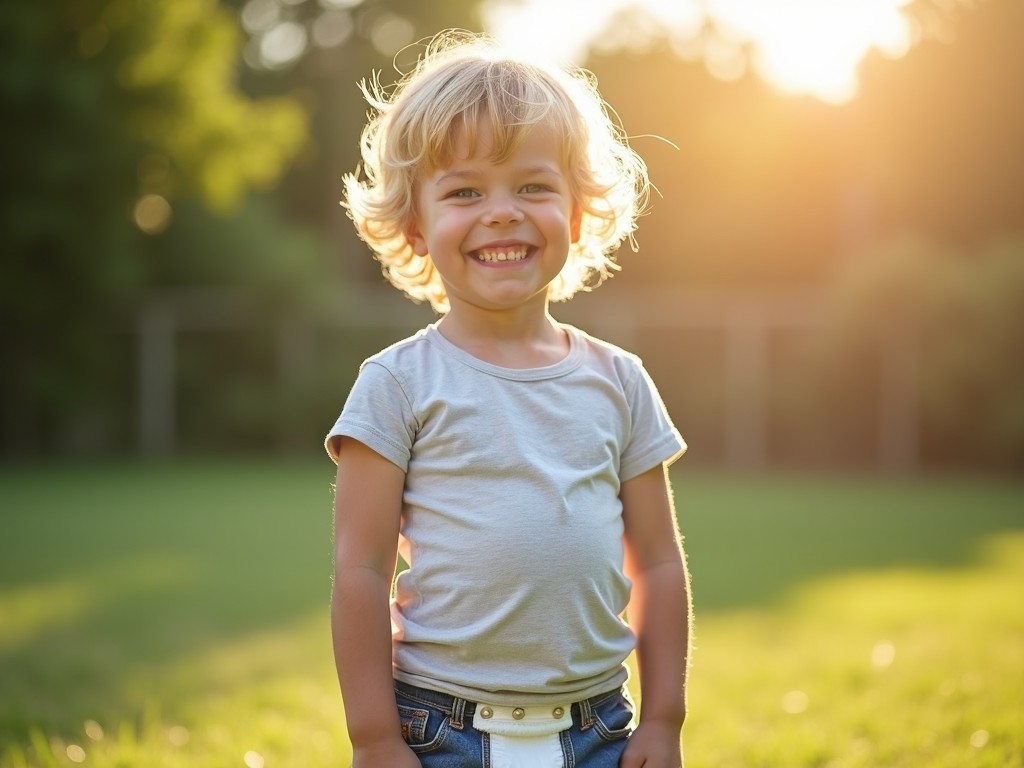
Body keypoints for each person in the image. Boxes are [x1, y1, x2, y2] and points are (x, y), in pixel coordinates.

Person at [326, 29, 691, 768]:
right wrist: (372, 737)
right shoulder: (397, 385)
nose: (501, 212)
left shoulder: (620, 381)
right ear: (417, 227)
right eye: (465, 191)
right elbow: (359, 568)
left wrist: (664, 721)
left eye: (533, 186)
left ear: (579, 212)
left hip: (599, 730)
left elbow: (657, 560)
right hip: (441, 729)